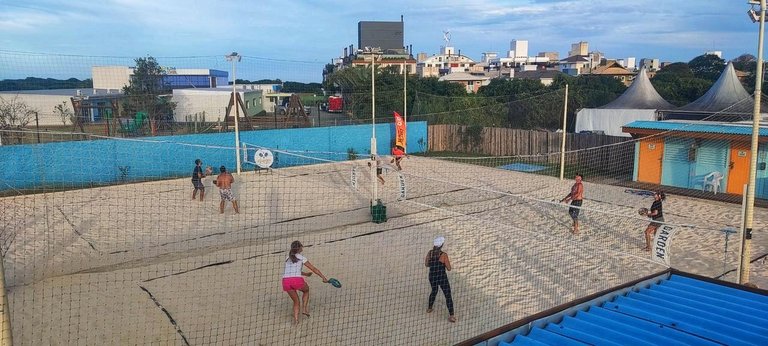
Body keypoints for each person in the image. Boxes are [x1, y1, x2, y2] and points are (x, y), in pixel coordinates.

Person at [282, 240, 329, 324]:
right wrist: (323, 277)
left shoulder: (287, 258)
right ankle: (304, 309)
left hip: (285, 281)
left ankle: (296, 321)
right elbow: (314, 269)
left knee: (296, 301)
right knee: (306, 290)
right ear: (299, 248)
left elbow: (293, 271)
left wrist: (306, 274)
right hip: (296, 280)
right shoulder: (302, 258)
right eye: (301, 246)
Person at [425, 236, 456, 323]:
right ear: (441, 245)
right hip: (442, 277)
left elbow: (426, 264)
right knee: (447, 295)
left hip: (432, 276)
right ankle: (452, 315)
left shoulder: (430, 253)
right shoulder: (444, 255)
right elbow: (449, 268)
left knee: (434, 291)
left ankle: (429, 308)